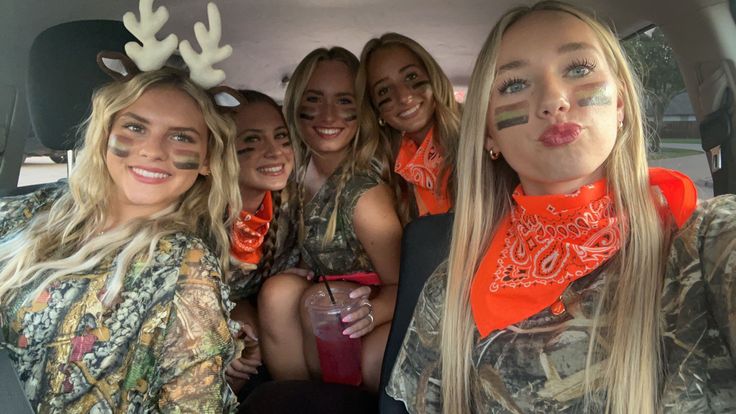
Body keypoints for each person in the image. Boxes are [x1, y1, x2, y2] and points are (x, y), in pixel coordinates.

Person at [387, 2, 736, 413]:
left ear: (620, 105)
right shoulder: (450, 289)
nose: (553, 100)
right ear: (488, 134)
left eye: (578, 69)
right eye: (514, 85)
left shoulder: (702, 242)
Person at [0, 66, 242, 412]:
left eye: (181, 137)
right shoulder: (29, 210)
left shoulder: (184, 267)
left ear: (206, 160)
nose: (153, 150)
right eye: (135, 127)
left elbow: (195, 404)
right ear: (105, 134)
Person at [258, 47, 403, 391]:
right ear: (295, 106)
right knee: (278, 292)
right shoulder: (284, 175)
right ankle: (294, 399)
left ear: (363, 110)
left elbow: (405, 286)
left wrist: (366, 314)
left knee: (322, 301)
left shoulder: (365, 194)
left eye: (344, 101)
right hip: (316, 308)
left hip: (363, 315)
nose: (328, 115)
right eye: (314, 99)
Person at [225, 89, 297, 394]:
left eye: (282, 138)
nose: (275, 152)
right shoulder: (195, 214)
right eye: (252, 142)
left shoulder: (292, 206)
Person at [357, 33, 461, 222]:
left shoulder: (482, 139)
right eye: (384, 90)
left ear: (432, 76)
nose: (404, 97)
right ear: (376, 110)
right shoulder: (384, 172)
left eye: (411, 76)